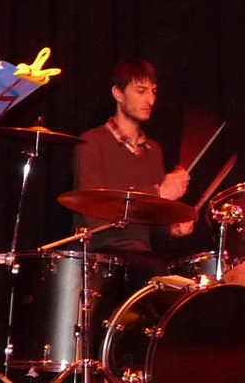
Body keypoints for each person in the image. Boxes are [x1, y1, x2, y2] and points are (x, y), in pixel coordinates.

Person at [73, 59, 193, 264]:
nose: (150, 100)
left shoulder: (154, 150)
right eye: (141, 91)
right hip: (100, 259)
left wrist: (172, 228)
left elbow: (149, 227)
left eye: (153, 92)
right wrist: (159, 193)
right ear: (118, 94)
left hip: (142, 258)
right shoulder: (91, 142)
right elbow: (93, 216)